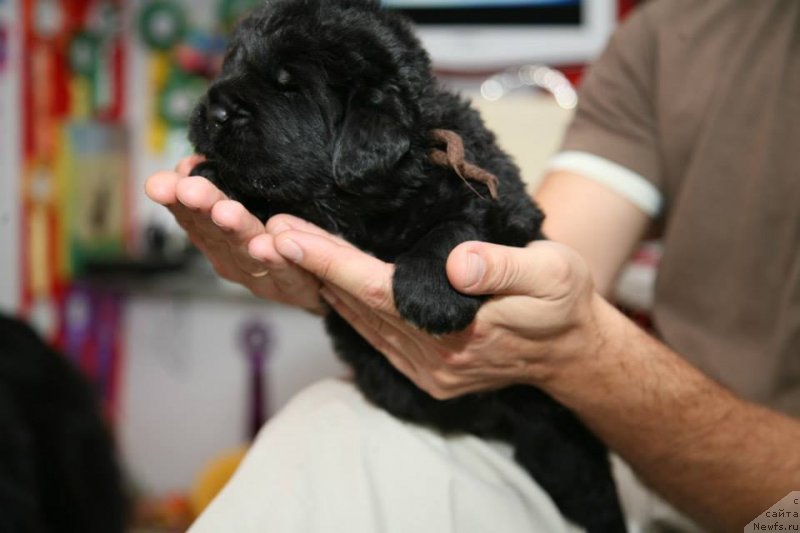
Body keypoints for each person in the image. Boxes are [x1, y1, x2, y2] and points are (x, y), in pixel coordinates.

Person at [146, 0, 800, 530]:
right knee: (323, 433)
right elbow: (544, 251)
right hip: (638, 459)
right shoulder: (677, 33)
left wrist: (581, 354)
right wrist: (344, 270)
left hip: (773, 509)